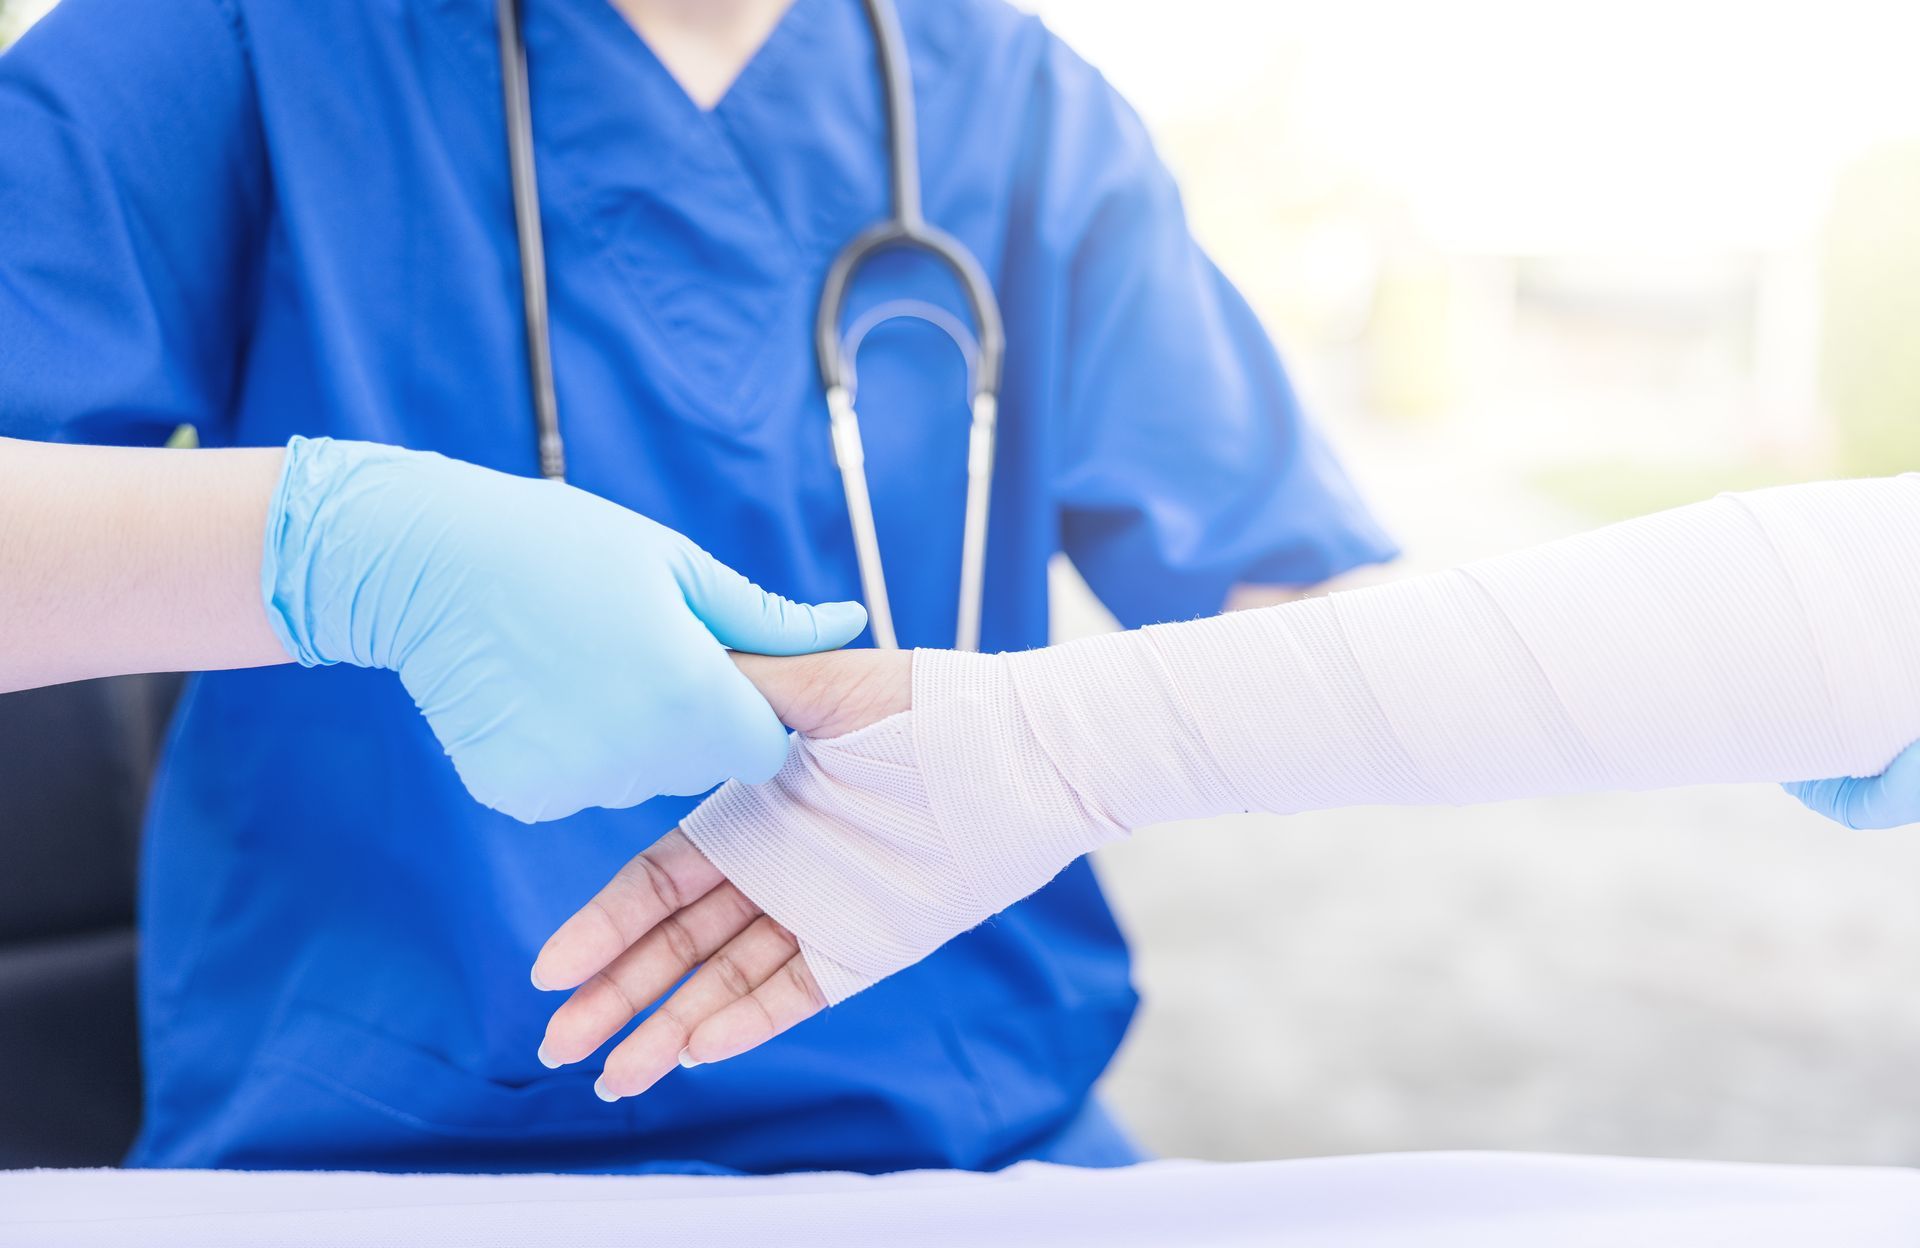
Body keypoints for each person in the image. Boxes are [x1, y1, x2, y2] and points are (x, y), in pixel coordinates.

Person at [0, 0, 1400, 1172]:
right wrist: (336, 551)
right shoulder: (236, 44)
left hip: (974, 1150)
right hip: (370, 1163)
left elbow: (1315, 621)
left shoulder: (1020, 100)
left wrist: (1071, 741)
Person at [530, 476, 1920, 1097]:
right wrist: (1036, 744)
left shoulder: (1017, 105)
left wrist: (1046, 743)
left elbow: (1861, 613)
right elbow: (1861, 611)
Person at [0, 435, 863, 817]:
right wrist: (346, 553)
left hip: (892, 1051)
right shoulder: (237, 105)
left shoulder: (953, 131)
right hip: (362, 1070)